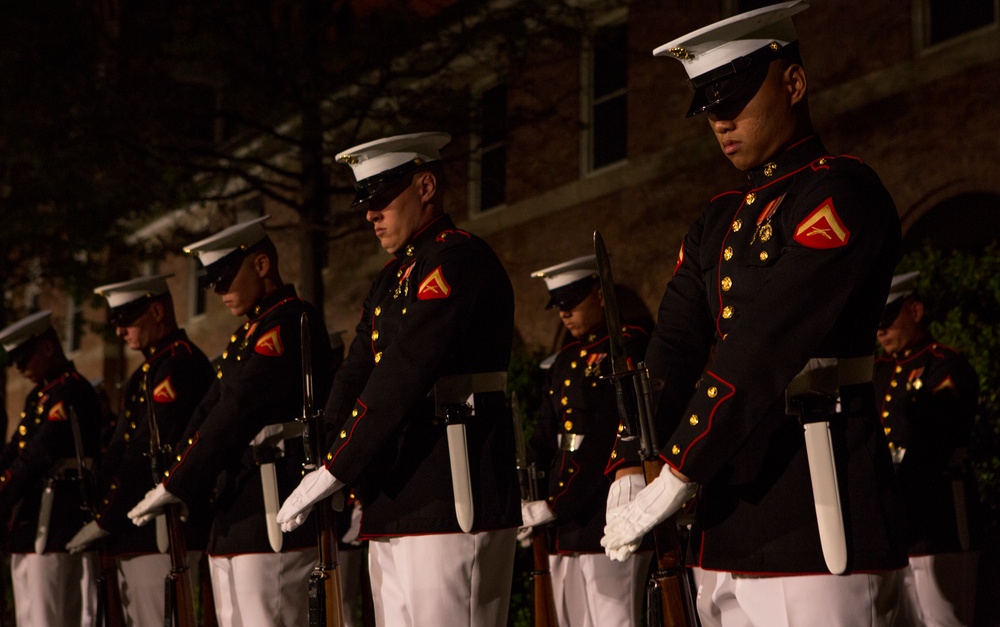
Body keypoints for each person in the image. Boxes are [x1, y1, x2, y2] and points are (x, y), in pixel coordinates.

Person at [599, 0, 910, 626]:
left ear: (793, 83)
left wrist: (680, 464)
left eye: (735, 97)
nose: (720, 120)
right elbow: (674, 345)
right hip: (721, 520)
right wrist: (631, 454)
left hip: (813, 514)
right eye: (709, 106)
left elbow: (765, 340)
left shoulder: (837, 193)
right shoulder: (718, 219)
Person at [276, 132, 520, 626]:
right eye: (366, 201)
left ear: (426, 186)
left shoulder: (457, 258)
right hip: (392, 496)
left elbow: (406, 367)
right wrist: (325, 454)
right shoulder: (390, 279)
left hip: (451, 492)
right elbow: (356, 370)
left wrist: (339, 466)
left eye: (382, 198)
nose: (371, 214)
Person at [126, 216, 334, 626]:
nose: (219, 292)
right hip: (237, 510)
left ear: (261, 265)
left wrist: (178, 481)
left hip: (272, 510)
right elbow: (207, 410)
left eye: (225, 278)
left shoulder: (289, 321)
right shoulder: (246, 335)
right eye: (213, 283)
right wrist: (176, 475)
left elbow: (236, 410)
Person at [66, 274, 215, 625]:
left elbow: (143, 450)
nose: (119, 331)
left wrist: (106, 517)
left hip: (163, 529)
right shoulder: (147, 371)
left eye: (126, 320)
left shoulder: (179, 364)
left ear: (158, 311)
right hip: (137, 530)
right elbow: (120, 448)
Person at [521, 254, 652, 626]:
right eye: (557, 305)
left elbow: (604, 438)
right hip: (567, 524)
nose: (563, 313)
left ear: (598, 294)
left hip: (604, 514)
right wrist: (530, 493)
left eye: (571, 302)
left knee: (616, 619)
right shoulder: (565, 360)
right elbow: (547, 434)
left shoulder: (629, 348)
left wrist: (556, 503)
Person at [875, 271, 982, 626]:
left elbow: (938, 437)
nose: (880, 331)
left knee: (943, 619)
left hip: (939, 519)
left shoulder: (945, 364)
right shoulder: (878, 372)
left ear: (915, 311)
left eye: (888, 320)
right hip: (893, 528)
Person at [0, 310, 102, 626]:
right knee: (30, 617)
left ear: (46, 348)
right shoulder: (39, 397)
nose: (19, 368)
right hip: (30, 524)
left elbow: (40, 452)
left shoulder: (70, 391)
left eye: (23, 358)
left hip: (59, 520)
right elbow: (14, 450)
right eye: (14, 361)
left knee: (51, 617)